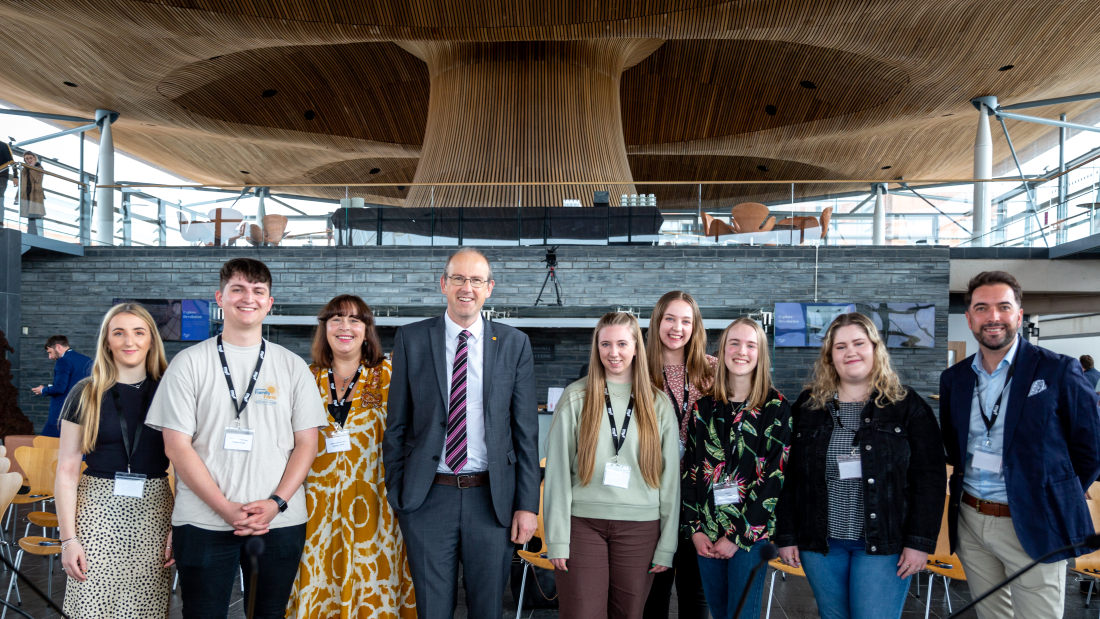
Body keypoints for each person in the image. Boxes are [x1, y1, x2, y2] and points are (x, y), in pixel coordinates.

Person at [145, 258, 328, 619]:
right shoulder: (189, 363)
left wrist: (276, 502)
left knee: (269, 614)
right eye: (238, 289)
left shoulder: (292, 366)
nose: (249, 298)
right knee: (202, 613)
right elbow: (176, 446)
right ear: (220, 297)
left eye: (258, 291)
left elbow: (307, 443)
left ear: (270, 302)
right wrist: (225, 508)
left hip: (276, 523)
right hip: (202, 520)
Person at [382, 247, 539, 619]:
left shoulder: (515, 344)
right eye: (458, 278)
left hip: (492, 500)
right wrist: (400, 494)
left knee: (487, 609)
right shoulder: (411, 339)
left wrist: (527, 505)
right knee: (433, 610)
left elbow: (526, 434)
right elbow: (397, 426)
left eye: (476, 280)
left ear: (489, 288)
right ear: (443, 284)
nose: (466, 287)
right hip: (427, 499)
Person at [940, 271, 1100, 619]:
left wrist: (1050, 496)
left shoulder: (1060, 371)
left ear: (1019, 314)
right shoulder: (955, 378)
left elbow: (1090, 451)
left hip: (1034, 520)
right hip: (970, 519)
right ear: (969, 319)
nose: (993, 317)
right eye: (982, 308)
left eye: (1003, 307)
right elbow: (954, 446)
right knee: (991, 615)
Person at [775, 313, 945, 619]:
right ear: (830, 357)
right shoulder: (808, 406)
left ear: (874, 348)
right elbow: (789, 477)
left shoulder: (906, 406)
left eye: (858, 343)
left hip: (883, 544)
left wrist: (920, 543)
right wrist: (786, 535)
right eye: (840, 347)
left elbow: (930, 480)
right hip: (821, 544)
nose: (850, 352)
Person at [544, 312, 680, 619]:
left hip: (641, 529)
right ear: (597, 348)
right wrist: (557, 538)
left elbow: (670, 480)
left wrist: (667, 545)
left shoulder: (658, 403)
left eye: (621, 343)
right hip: (582, 525)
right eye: (605, 344)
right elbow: (557, 474)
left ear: (636, 347)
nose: (613, 352)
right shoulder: (576, 397)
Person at [288, 295, 416, 619]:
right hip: (316, 509)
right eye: (336, 319)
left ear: (367, 329)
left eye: (355, 320)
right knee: (317, 587)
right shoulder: (305, 378)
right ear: (325, 328)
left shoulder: (391, 376)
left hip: (377, 508)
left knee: (374, 586)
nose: (345, 327)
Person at [55, 303, 174, 618]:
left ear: (151, 340)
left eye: (138, 332)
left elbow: (189, 464)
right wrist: (68, 539)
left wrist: (180, 527)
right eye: (118, 333)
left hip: (155, 512)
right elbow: (66, 472)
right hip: (96, 511)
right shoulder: (85, 393)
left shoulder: (173, 390)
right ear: (107, 341)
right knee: (90, 605)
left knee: (145, 607)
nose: (129, 341)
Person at [683, 317, 792, 619]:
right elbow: (690, 472)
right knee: (719, 614)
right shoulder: (702, 407)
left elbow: (774, 480)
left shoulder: (776, 408)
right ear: (723, 350)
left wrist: (736, 538)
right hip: (706, 532)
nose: (741, 351)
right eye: (734, 342)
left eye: (750, 345)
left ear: (760, 354)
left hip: (749, 537)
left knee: (741, 614)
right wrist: (695, 530)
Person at [643, 291, 715, 619]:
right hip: (652, 498)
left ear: (695, 327)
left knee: (696, 599)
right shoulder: (638, 372)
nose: (677, 327)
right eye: (670, 318)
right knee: (652, 598)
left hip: (699, 502)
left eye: (686, 320)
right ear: (657, 321)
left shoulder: (713, 373)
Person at [32, 335, 92, 437]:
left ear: (58, 347)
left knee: (45, 445)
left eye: (50, 352)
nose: (50, 357)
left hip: (61, 415)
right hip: (82, 413)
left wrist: (43, 390)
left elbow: (60, 387)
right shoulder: (87, 360)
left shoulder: (63, 361)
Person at [15, 150, 45, 235]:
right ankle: (31, 234)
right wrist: (17, 197)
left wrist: (32, 168)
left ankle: (32, 234)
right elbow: (21, 184)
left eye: (30, 158)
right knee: (29, 216)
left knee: (33, 216)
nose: (29, 160)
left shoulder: (39, 168)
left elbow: (38, 180)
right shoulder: (24, 169)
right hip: (26, 194)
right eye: (27, 159)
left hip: (35, 195)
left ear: (34, 158)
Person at [0, 143, 13, 208]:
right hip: (2, 177)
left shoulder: (3, 145)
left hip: (2, 177)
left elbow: (12, 162)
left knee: (0, 199)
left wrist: (16, 176)